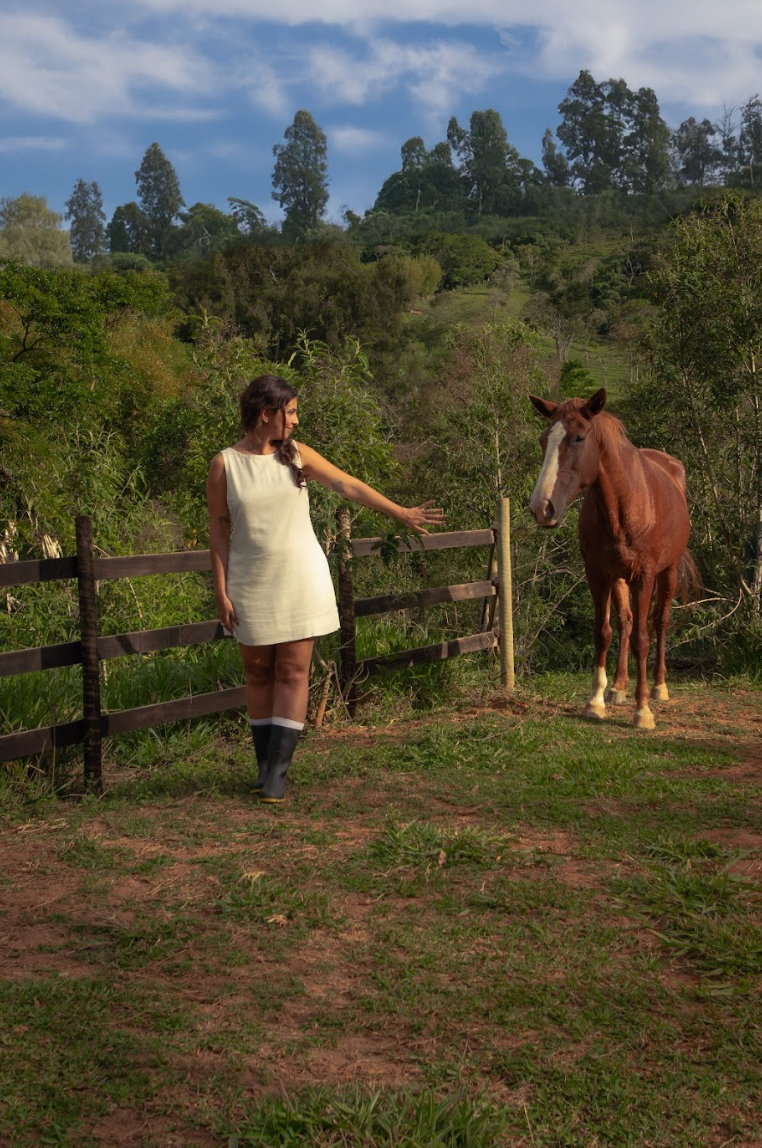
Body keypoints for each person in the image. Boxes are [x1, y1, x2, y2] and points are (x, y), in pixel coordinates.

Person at [206, 374, 446, 804]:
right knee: (258, 673)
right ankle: (263, 770)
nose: (296, 421)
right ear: (267, 414)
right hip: (249, 582)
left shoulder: (296, 455)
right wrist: (220, 592)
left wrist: (401, 512)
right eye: (291, 411)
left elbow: (346, 484)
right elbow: (219, 532)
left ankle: (277, 775)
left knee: (293, 672)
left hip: (300, 577)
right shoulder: (225, 464)